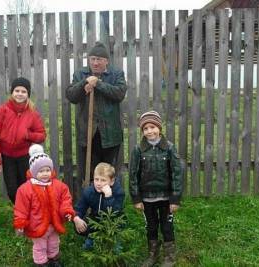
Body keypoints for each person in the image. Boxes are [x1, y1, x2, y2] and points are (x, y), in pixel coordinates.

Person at [129, 111, 183, 267]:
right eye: (145, 129)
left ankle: (169, 256)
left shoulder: (169, 148)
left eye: (152, 127)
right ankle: (152, 254)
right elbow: (133, 175)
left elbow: (176, 174)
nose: (149, 131)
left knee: (167, 226)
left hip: (166, 198)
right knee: (151, 226)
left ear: (159, 127)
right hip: (147, 198)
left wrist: (175, 198)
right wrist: (137, 198)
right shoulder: (138, 150)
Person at [66, 41, 127, 180]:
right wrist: (84, 83)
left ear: (106, 61)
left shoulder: (116, 74)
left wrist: (98, 84)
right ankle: (91, 198)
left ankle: (108, 199)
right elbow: (71, 96)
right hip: (87, 133)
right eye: (92, 59)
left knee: (108, 171)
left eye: (99, 59)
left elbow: (119, 94)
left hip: (110, 134)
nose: (95, 63)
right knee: (89, 171)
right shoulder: (80, 74)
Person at [14, 144, 75, 267]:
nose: (45, 174)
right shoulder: (25, 189)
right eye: (41, 171)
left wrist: (67, 211)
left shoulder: (59, 186)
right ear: (33, 171)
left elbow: (65, 200)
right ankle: (41, 263)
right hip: (37, 225)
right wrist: (20, 223)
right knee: (40, 246)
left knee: (54, 242)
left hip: (54, 223)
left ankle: (54, 259)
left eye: (47, 170)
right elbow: (21, 208)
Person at [0, 77, 46, 204]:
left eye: (23, 91)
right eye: (17, 90)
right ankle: (20, 213)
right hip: (7, 157)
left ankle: (29, 217)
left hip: (24, 156)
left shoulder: (32, 113)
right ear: (12, 92)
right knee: (12, 191)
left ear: (28, 94)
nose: (20, 94)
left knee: (26, 187)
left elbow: (42, 135)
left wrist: (28, 135)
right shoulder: (2, 110)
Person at [73, 162, 124, 250]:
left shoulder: (118, 192)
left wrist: (108, 197)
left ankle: (114, 242)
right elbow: (79, 208)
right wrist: (76, 218)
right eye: (96, 179)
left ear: (112, 181)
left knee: (115, 251)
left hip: (113, 223)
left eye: (103, 180)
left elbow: (115, 213)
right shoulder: (89, 192)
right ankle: (92, 237)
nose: (99, 183)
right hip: (96, 220)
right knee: (81, 226)